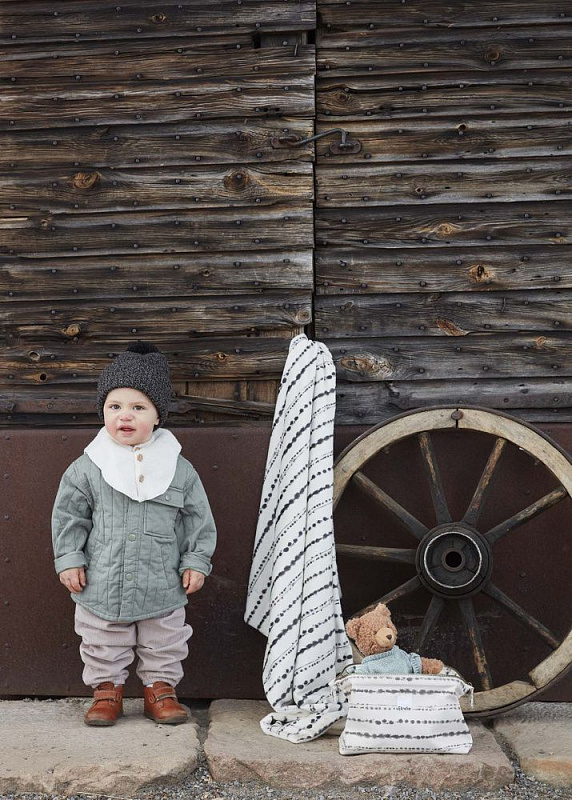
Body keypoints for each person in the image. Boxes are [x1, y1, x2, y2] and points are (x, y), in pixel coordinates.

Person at [51, 342, 216, 727]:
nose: (124, 415)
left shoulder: (178, 468)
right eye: (115, 406)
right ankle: (107, 691)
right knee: (101, 636)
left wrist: (196, 560)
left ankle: (160, 689)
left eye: (138, 408)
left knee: (165, 637)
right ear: (103, 412)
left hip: (161, 579)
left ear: (158, 416)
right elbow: (69, 516)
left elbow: (198, 518)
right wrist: (70, 559)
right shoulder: (88, 467)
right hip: (103, 579)